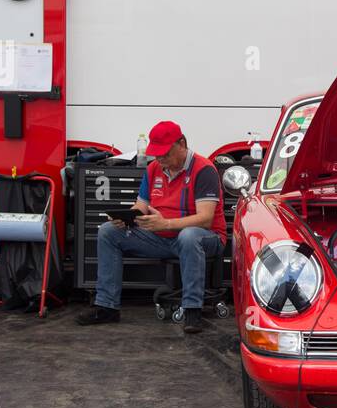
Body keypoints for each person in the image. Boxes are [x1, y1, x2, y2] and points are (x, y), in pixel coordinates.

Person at [76, 121, 226, 334]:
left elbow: (205, 219)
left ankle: (193, 310)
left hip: (206, 239)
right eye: (157, 155)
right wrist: (128, 217)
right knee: (108, 232)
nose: (160, 159)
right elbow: (141, 205)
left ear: (181, 144)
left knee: (189, 236)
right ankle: (106, 306)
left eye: (165, 154)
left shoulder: (204, 170)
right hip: (163, 238)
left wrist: (166, 223)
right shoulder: (154, 168)